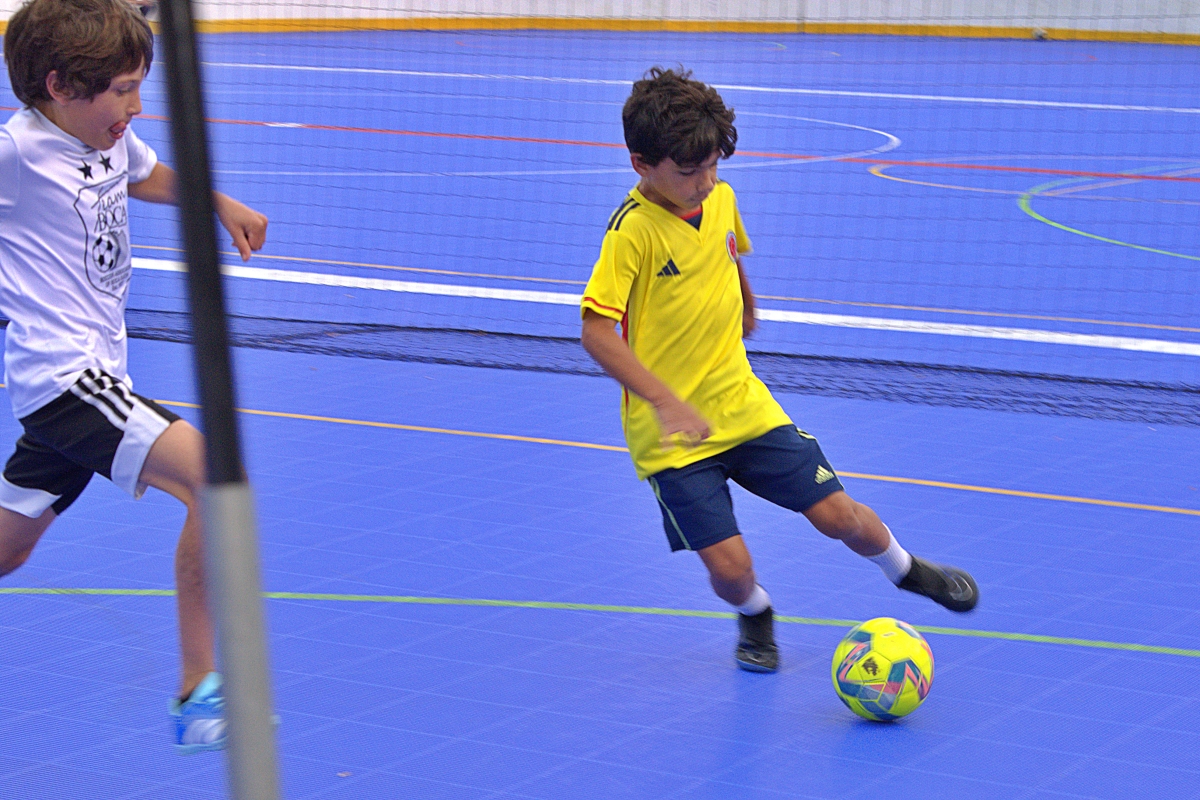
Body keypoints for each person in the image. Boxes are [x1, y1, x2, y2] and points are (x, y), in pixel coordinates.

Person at [580, 67, 977, 674]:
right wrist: (666, 402)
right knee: (731, 571)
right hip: (674, 440)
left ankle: (905, 569)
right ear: (640, 163)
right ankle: (755, 613)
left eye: (713, 165)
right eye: (689, 172)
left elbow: (728, 250)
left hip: (743, 404)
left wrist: (745, 300)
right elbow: (596, 332)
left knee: (839, 516)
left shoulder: (721, 199)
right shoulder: (631, 235)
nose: (706, 182)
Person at [0, 0, 268, 751]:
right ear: (57, 86)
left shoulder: (108, 135)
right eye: (121, 89)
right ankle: (200, 691)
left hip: (93, 379)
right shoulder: (17, 154)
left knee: (10, 549)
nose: (135, 106)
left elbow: (144, 172)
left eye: (138, 86)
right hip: (64, 380)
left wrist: (218, 201)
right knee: (214, 480)